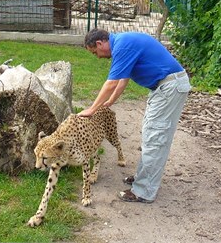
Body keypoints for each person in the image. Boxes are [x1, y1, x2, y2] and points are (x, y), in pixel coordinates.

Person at [78, 28, 191, 203]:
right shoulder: (123, 44)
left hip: (169, 88)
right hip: (165, 87)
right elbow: (123, 79)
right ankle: (143, 178)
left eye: (95, 52)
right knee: (150, 134)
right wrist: (110, 101)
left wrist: (92, 109)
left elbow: (111, 82)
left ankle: (144, 191)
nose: (98, 57)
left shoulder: (122, 46)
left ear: (100, 43)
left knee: (155, 137)